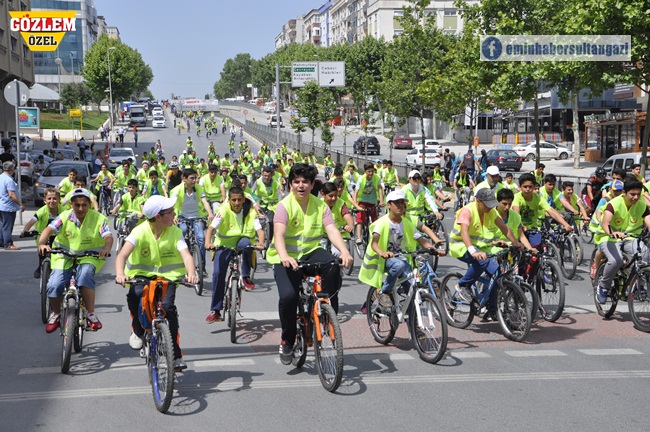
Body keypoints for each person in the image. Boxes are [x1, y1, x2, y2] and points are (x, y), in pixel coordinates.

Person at [266, 163, 353, 365]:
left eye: (305, 181)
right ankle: (287, 339)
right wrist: (285, 256)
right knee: (288, 297)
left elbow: (331, 230)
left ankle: (326, 313)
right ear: (290, 185)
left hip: (312, 252)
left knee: (333, 265)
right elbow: (278, 235)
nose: (301, 185)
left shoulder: (320, 206)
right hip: (285, 256)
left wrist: (345, 251)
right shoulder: (284, 206)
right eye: (296, 181)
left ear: (313, 184)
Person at [114, 195, 199, 372]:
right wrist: (120, 274)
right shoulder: (139, 231)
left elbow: (186, 255)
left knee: (168, 308)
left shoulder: (175, 231)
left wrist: (191, 273)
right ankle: (138, 330)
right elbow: (122, 255)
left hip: (168, 278)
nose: (174, 214)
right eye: (170, 212)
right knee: (135, 298)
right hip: (141, 277)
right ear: (158, 216)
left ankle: (175, 356)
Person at [38, 189, 113, 333]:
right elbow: (49, 229)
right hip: (63, 255)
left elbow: (108, 236)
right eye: (77, 205)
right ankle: (56, 313)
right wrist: (42, 243)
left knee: (85, 277)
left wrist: (106, 248)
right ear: (71, 204)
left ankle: (90, 314)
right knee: (54, 286)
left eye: (84, 205)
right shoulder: (64, 216)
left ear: (89, 205)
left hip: (88, 256)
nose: (80, 208)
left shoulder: (98, 218)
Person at [359, 190, 444, 307]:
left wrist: (434, 249)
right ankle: (385, 291)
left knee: (412, 293)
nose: (400, 205)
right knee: (398, 265)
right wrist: (382, 252)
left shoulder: (407, 223)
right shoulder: (381, 223)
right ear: (388, 205)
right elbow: (374, 243)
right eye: (396, 202)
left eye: (402, 203)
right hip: (386, 259)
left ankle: (413, 323)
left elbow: (421, 240)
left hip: (403, 259)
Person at [449, 188, 522, 308]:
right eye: (487, 205)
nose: (490, 208)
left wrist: (516, 243)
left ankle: (492, 309)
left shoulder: (491, 212)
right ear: (478, 201)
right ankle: (463, 285)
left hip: (482, 248)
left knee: (497, 275)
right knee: (482, 261)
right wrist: (473, 251)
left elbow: (504, 228)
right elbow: (464, 232)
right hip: (461, 246)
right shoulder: (467, 211)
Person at [204, 186, 265, 323]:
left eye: (239, 200)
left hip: (241, 240)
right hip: (224, 244)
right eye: (234, 200)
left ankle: (245, 277)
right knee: (218, 274)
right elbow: (210, 229)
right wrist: (208, 243)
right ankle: (216, 310)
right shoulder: (223, 210)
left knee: (247, 245)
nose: (237, 203)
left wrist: (261, 242)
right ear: (229, 200)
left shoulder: (250, 211)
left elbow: (260, 230)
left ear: (244, 200)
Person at [595, 180, 650, 304]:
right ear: (624, 193)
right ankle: (603, 286)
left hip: (630, 238)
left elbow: (648, 220)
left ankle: (638, 287)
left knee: (645, 253)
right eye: (632, 194)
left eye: (638, 194)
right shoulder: (614, 204)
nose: (635, 197)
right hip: (608, 237)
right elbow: (605, 223)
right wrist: (612, 232)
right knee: (616, 260)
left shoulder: (641, 205)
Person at [170, 168, 214, 276]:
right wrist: (172, 217)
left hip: (196, 217)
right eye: (192, 178)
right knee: (183, 231)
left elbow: (205, 202)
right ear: (184, 179)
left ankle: (202, 266)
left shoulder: (198, 188)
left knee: (201, 238)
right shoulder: (178, 189)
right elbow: (171, 204)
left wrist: (210, 213)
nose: (194, 181)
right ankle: (182, 258)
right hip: (182, 217)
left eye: (195, 178)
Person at [22, 188, 64, 277]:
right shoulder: (41, 211)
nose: (52, 201)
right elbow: (31, 222)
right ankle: (41, 265)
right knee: (42, 252)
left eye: (54, 198)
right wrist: (25, 230)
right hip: (42, 235)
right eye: (49, 199)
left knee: (58, 252)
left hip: (58, 235)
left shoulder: (64, 211)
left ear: (59, 200)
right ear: (45, 200)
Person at [589, 179, 624, 279]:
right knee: (601, 248)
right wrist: (602, 222)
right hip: (600, 227)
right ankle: (595, 264)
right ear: (610, 189)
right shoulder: (605, 200)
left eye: (620, 191)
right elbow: (599, 212)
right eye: (616, 191)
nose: (618, 193)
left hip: (615, 227)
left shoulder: (623, 199)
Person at [352, 162, 384, 243]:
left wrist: (381, 201)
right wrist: (356, 205)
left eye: (372, 171)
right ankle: (359, 237)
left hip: (372, 202)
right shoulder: (361, 179)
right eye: (369, 171)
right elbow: (356, 192)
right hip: (362, 202)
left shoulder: (376, 177)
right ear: (365, 171)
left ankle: (376, 237)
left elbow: (380, 189)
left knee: (375, 220)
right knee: (360, 218)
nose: (371, 173)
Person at [0, 161, 25, 250]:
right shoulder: (9, 180)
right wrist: (20, 204)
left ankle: (2, 241)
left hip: (1, 205)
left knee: (2, 225)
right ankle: (8, 244)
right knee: (7, 226)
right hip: (8, 207)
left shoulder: (1, 177)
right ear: (11, 169)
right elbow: (11, 194)